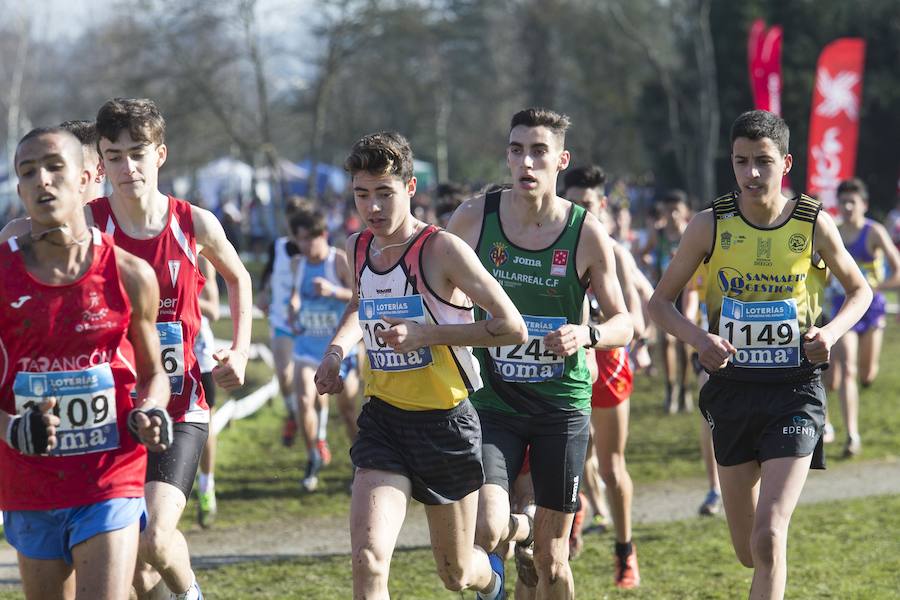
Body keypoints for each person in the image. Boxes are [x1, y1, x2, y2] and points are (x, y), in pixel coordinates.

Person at [648, 110, 872, 600]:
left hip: (795, 391)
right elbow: (659, 304)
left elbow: (861, 291)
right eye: (742, 161)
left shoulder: (813, 223)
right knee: (749, 550)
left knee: (770, 536)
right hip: (731, 391)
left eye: (763, 162)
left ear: (785, 163)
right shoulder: (711, 224)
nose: (752, 173)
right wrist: (699, 341)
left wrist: (830, 333)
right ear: (731, 163)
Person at [314, 131, 527, 599]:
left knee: (456, 574)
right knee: (368, 559)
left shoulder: (441, 250)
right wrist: (336, 351)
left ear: (410, 189)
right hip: (384, 421)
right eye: (362, 195)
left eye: (384, 193)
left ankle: (494, 577)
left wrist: (427, 334)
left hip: (445, 426)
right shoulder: (357, 247)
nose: (373, 208)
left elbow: (512, 326)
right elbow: (359, 305)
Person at [448, 108, 633, 599]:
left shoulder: (586, 232)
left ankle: (534, 536)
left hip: (561, 408)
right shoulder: (474, 217)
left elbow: (625, 323)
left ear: (560, 160)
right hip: (493, 403)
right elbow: (435, 285)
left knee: (554, 563)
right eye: (516, 150)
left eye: (538, 151)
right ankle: (519, 536)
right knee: (487, 530)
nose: (526, 162)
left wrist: (587, 335)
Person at [90, 97, 253, 600]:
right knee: (137, 570)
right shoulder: (89, 225)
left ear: (160, 155)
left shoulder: (193, 223)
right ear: (99, 161)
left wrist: (240, 351)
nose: (126, 166)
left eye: (137, 153)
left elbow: (239, 278)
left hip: (181, 409)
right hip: (113, 410)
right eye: (114, 155)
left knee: (157, 539)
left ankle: (191, 594)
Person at [1, 127, 172, 599]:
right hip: (29, 478)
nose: (42, 181)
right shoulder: (1, 275)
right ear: (20, 190)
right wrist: (10, 426)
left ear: (86, 177)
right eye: (28, 172)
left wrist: (152, 407)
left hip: (108, 472)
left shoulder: (130, 273)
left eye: (55, 167)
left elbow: (154, 372)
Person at [563, 164, 645, 588]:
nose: (581, 214)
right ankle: (573, 511)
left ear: (602, 206)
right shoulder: (549, 246)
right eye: (573, 205)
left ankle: (624, 549)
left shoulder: (615, 252)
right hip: (565, 361)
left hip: (608, 362)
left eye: (589, 206)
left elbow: (638, 323)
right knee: (567, 457)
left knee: (611, 466)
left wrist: (596, 323)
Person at [288, 207, 359, 492]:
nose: (305, 246)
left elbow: (358, 298)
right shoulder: (298, 263)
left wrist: (332, 291)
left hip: (340, 349)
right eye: (300, 240)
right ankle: (312, 457)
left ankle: (359, 460)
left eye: (310, 239)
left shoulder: (339, 260)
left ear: (323, 236)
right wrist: (293, 308)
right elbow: (294, 294)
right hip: (307, 346)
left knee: (348, 410)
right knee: (304, 400)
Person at [829, 178, 900, 457]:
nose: (847, 207)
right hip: (843, 309)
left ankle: (863, 386)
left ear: (864, 205)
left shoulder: (874, 232)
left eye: (852, 202)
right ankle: (852, 435)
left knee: (867, 373)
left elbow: (898, 269)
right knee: (848, 370)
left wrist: (876, 288)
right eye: (843, 202)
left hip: (872, 309)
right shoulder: (831, 232)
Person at [0, 119, 106, 243]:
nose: (44, 180)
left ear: (99, 171)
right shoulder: (16, 235)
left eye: (56, 167)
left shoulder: (121, 230)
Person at [257, 196, 307, 447]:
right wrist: (263, 292)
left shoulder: (313, 248)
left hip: (308, 321)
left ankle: (314, 429)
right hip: (280, 318)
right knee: (284, 373)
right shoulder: (277, 246)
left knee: (308, 380)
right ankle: (292, 415)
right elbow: (268, 271)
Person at [642, 190, 692, 413]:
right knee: (667, 342)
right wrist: (650, 265)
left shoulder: (691, 234)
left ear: (685, 213)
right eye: (669, 210)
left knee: (685, 344)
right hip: (665, 294)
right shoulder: (658, 235)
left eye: (677, 211)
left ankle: (685, 388)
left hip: (687, 293)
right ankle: (670, 388)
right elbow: (643, 252)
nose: (672, 215)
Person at [680, 264, 722, 516]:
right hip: (707, 350)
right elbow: (690, 305)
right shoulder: (699, 262)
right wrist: (696, 335)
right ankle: (714, 488)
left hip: (745, 350)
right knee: (709, 414)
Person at [194, 256, 220, 527]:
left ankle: (206, 487)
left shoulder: (201, 257)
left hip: (198, 355)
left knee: (206, 422)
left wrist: (186, 293)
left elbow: (214, 311)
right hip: (161, 351)